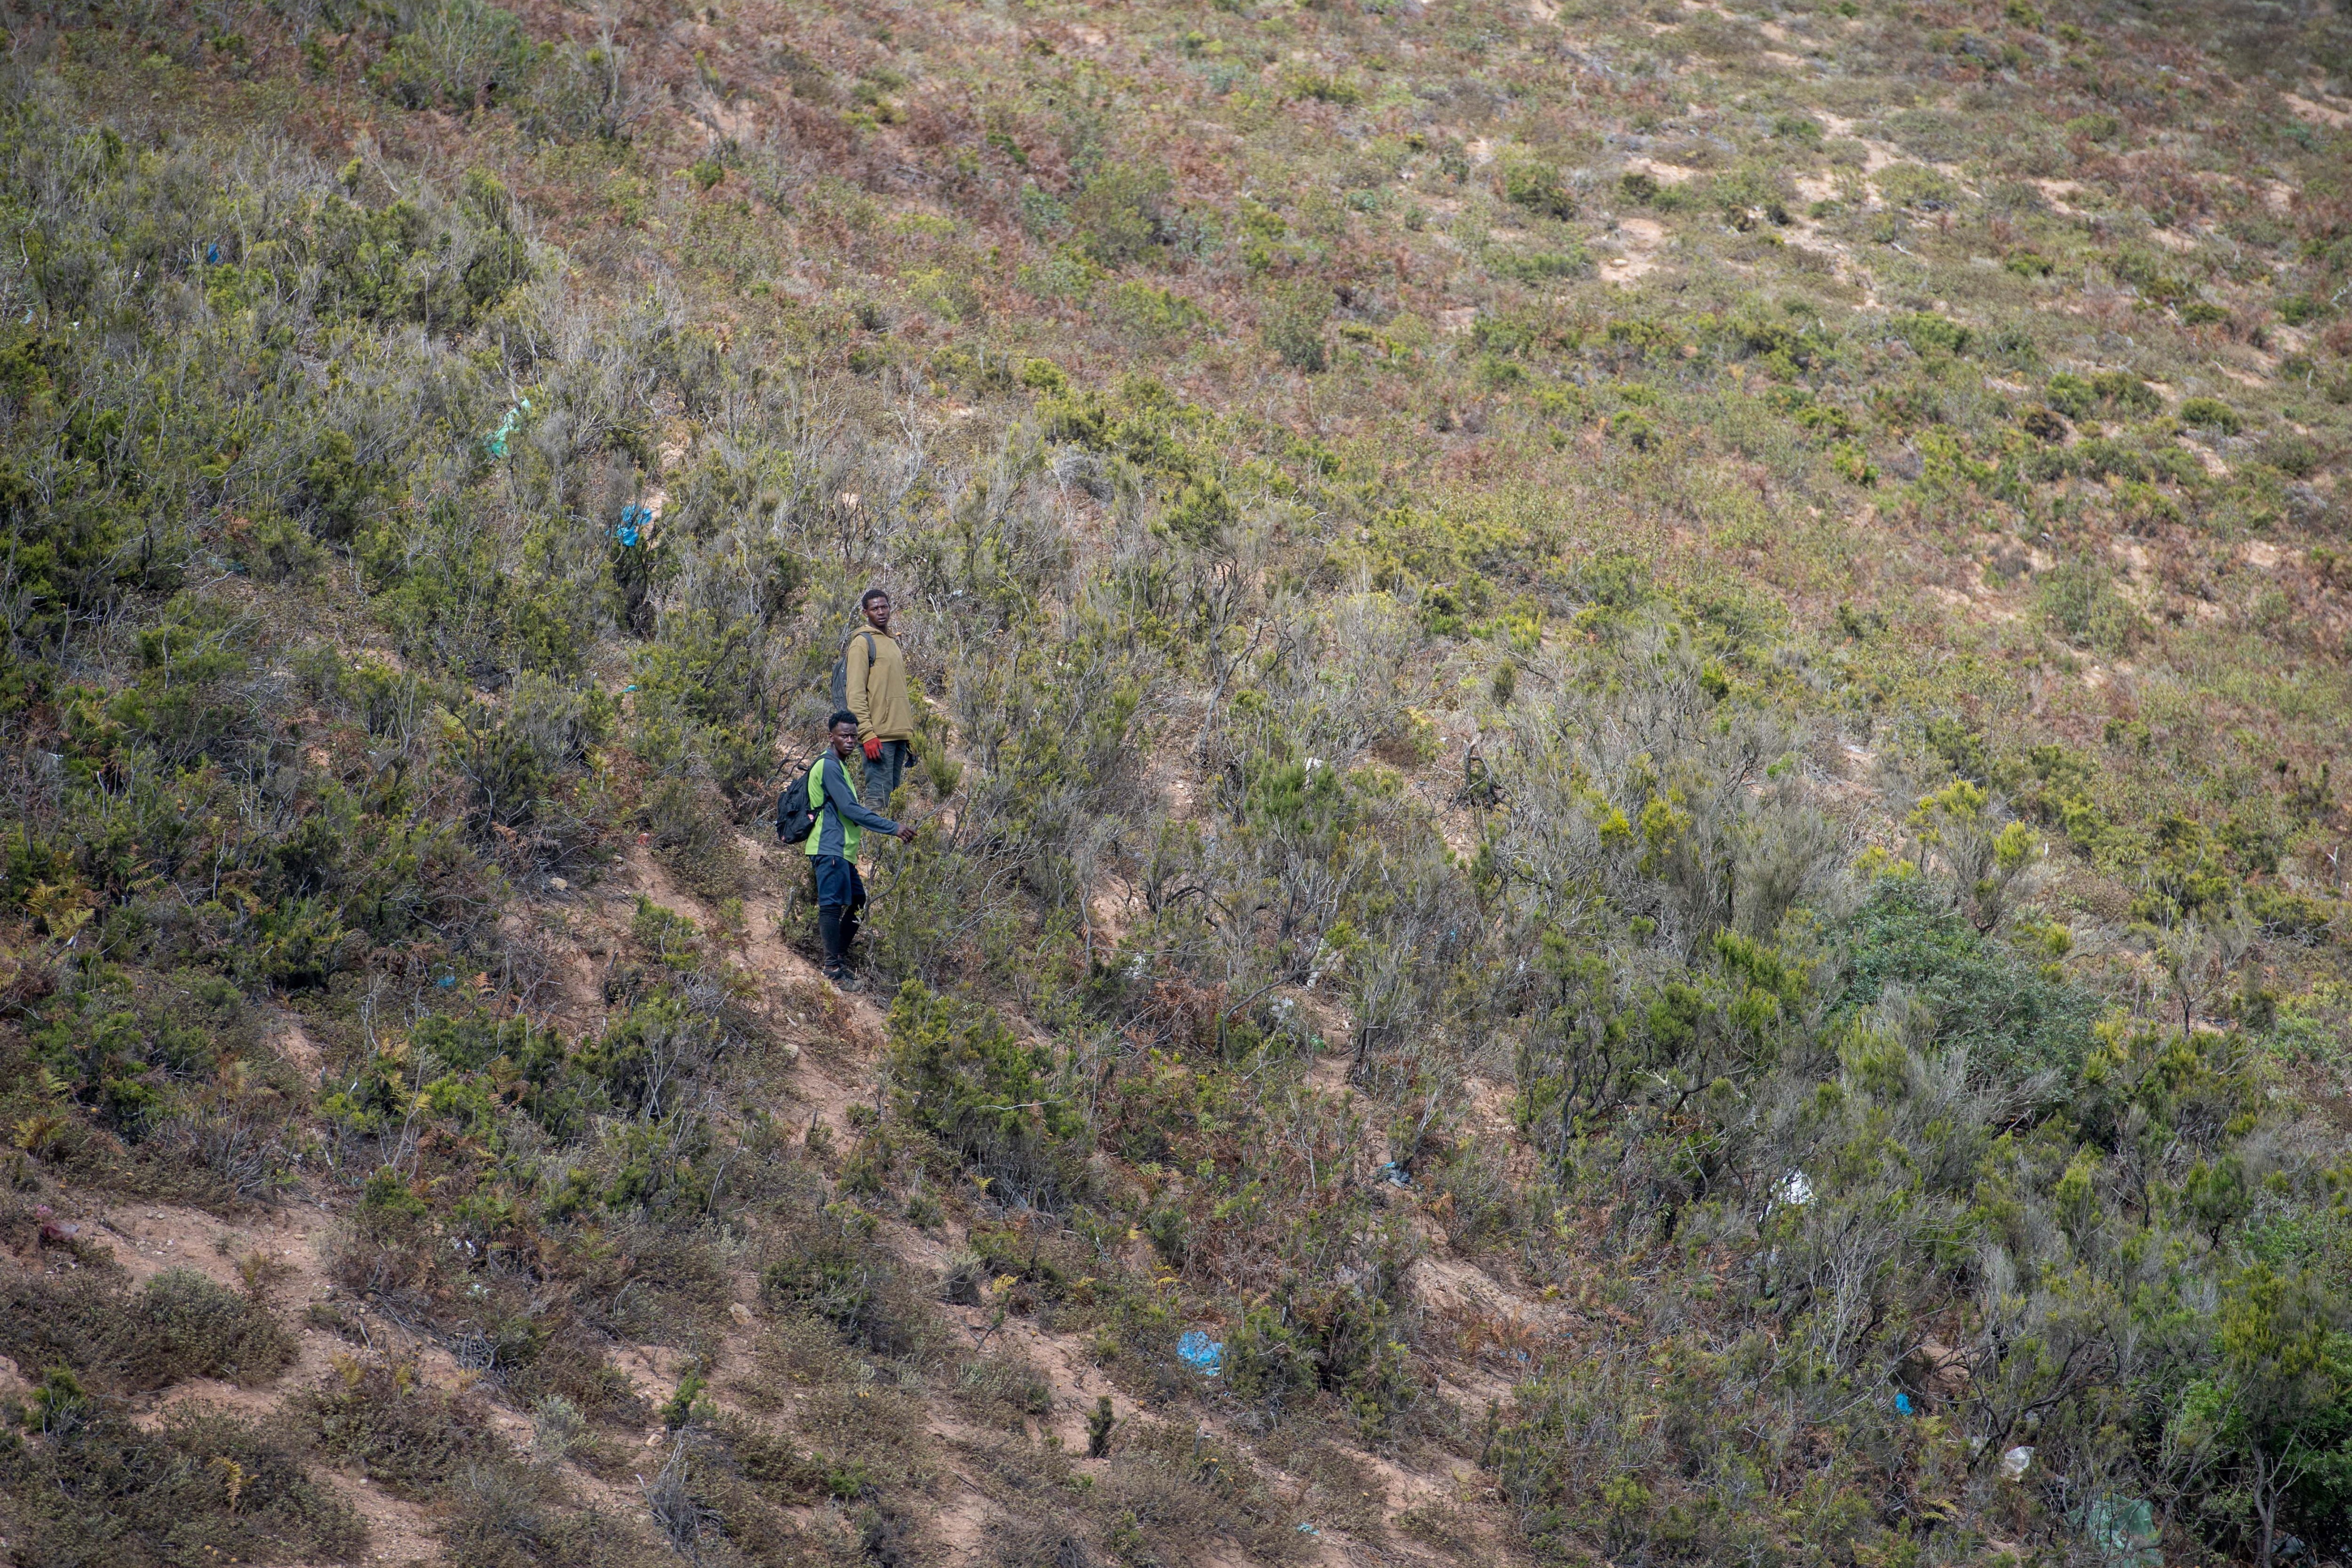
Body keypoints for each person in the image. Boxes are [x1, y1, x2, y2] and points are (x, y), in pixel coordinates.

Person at [801, 709, 915, 990]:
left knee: (858, 901)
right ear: (832, 737)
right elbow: (850, 809)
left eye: (854, 736)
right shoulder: (828, 766)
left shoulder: (838, 767)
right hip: (829, 849)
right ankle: (831, 968)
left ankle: (837, 958)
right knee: (830, 905)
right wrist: (893, 828)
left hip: (842, 851)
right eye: (845, 736)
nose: (851, 741)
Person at [844, 588, 914, 806]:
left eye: (884, 607)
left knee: (894, 802)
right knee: (878, 800)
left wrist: (908, 735)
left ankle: (886, 842)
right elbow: (855, 694)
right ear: (865, 612)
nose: (881, 612)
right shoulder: (862, 643)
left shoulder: (892, 643)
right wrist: (866, 734)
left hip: (898, 736)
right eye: (875, 608)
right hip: (878, 737)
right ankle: (871, 842)